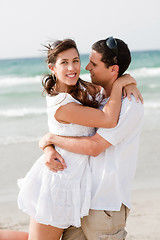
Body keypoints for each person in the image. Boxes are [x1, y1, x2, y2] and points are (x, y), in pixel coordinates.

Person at [0, 37, 142, 240]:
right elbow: (107, 119)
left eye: (76, 60)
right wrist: (121, 83)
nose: (76, 67)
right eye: (64, 62)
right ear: (52, 68)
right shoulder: (63, 103)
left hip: (76, 186)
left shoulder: (84, 90)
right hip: (59, 181)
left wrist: (128, 80)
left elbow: (107, 90)